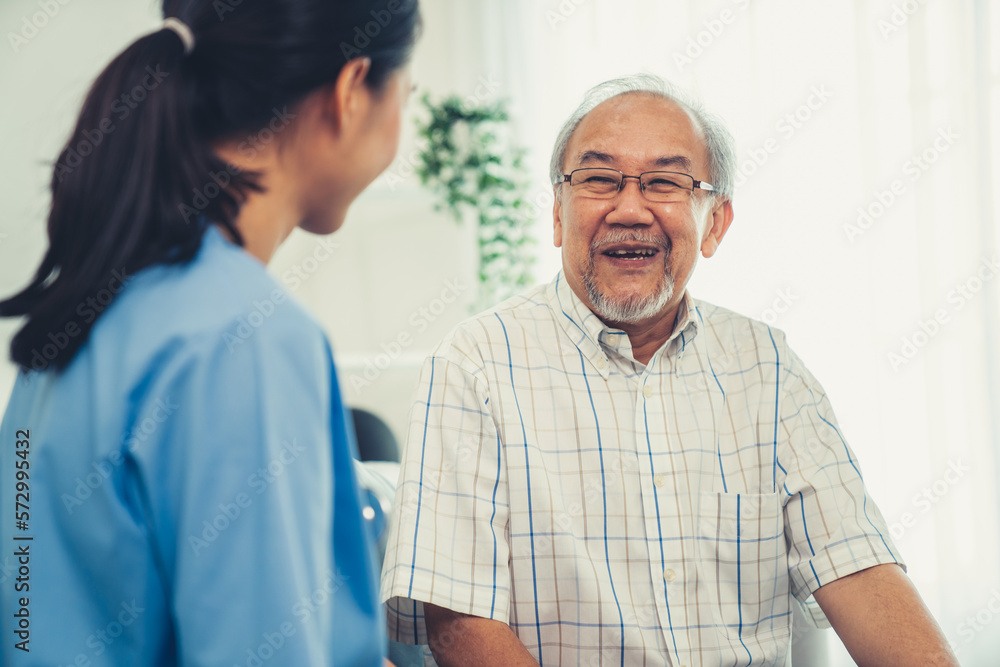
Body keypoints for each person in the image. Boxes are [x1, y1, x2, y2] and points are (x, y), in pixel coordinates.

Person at [380, 75, 959, 666]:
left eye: (666, 183)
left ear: (715, 223)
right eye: (600, 179)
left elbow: (859, 570)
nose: (629, 209)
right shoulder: (473, 365)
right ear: (557, 213)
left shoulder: (769, 366)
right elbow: (456, 619)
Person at [0, 1, 419, 665]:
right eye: (408, 93)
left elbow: (30, 613)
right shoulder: (243, 339)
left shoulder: (77, 310)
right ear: (350, 91)